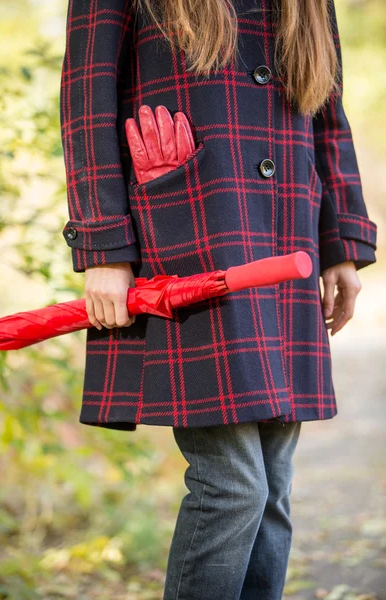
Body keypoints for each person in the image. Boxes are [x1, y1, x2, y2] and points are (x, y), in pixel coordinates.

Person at [59, 0, 378, 598]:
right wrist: (104, 246)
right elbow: (86, 98)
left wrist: (342, 241)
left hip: (288, 232)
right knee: (233, 488)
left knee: (274, 489)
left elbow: (327, 112)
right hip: (191, 232)